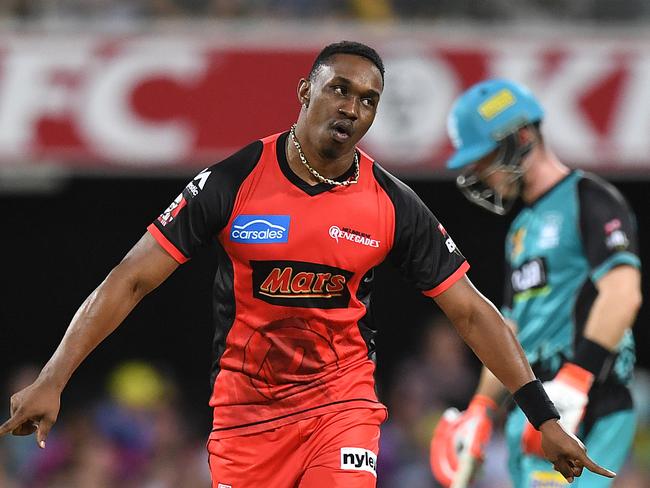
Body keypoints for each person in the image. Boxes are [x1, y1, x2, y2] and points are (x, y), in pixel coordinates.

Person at [1, 42, 614, 488]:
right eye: (339, 89)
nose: (352, 106)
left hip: (340, 405)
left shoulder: (393, 205)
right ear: (306, 92)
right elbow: (130, 278)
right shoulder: (233, 181)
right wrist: (55, 377)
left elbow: (475, 315)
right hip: (244, 415)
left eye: (368, 99)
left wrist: (545, 416)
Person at [431, 79, 642, 488]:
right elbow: (509, 331)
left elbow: (623, 291)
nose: (479, 172)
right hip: (537, 416)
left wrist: (576, 382)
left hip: (590, 408)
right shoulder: (521, 231)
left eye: (485, 157)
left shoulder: (591, 198)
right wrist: (480, 408)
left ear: (522, 137)